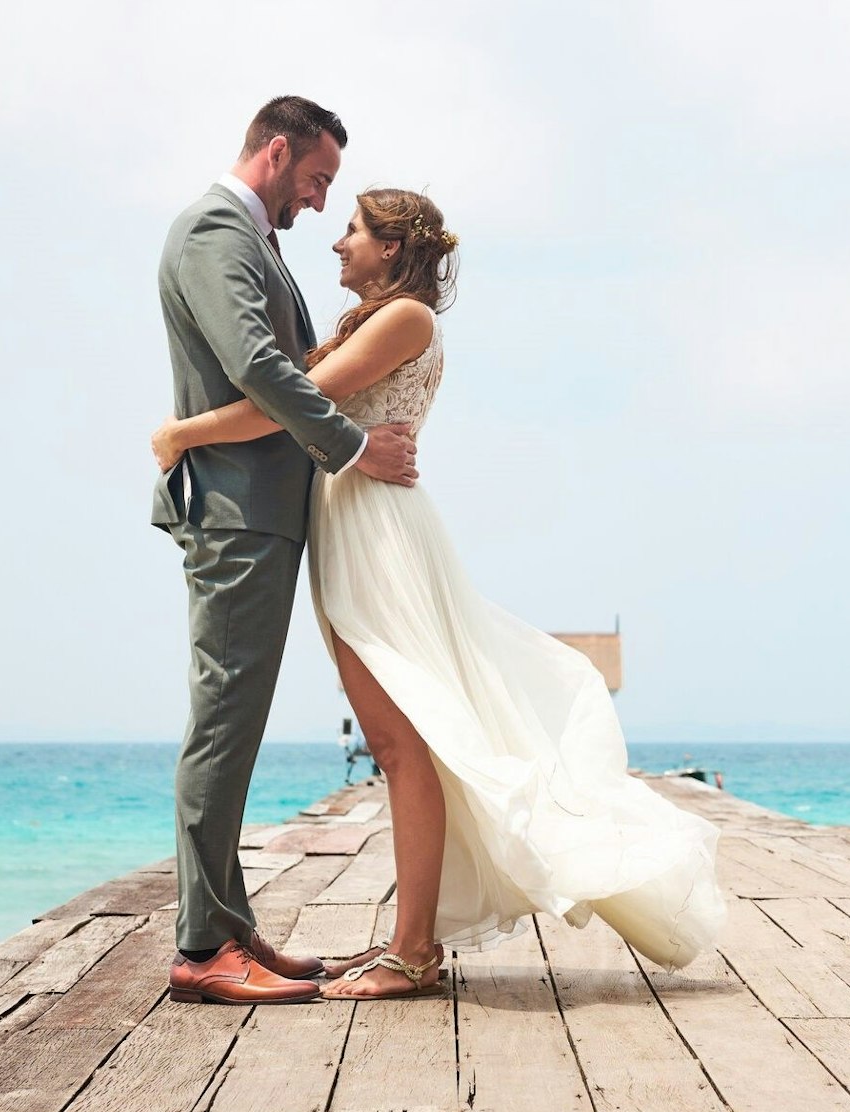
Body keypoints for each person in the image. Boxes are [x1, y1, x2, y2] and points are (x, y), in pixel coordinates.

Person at [151, 186, 726, 1000]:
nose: (338, 243)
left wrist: (184, 432)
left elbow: (287, 406)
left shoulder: (406, 318)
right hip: (352, 526)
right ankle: (408, 941)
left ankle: (414, 950)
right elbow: (299, 396)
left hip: (377, 536)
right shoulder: (377, 321)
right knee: (401, 739)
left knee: (399, 742)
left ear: (392, 247)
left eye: (352, 229)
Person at [152, 95, 419, 1005]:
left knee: (236, 722)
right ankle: (201, 947)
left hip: (262, 511)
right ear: (275, 152)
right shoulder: (215, 231)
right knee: (224, 722)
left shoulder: (250, 238)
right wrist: (353, 447)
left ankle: (227, 924)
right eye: (316, 178)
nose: (319, 200)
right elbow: (261, 368)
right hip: (238, 512)